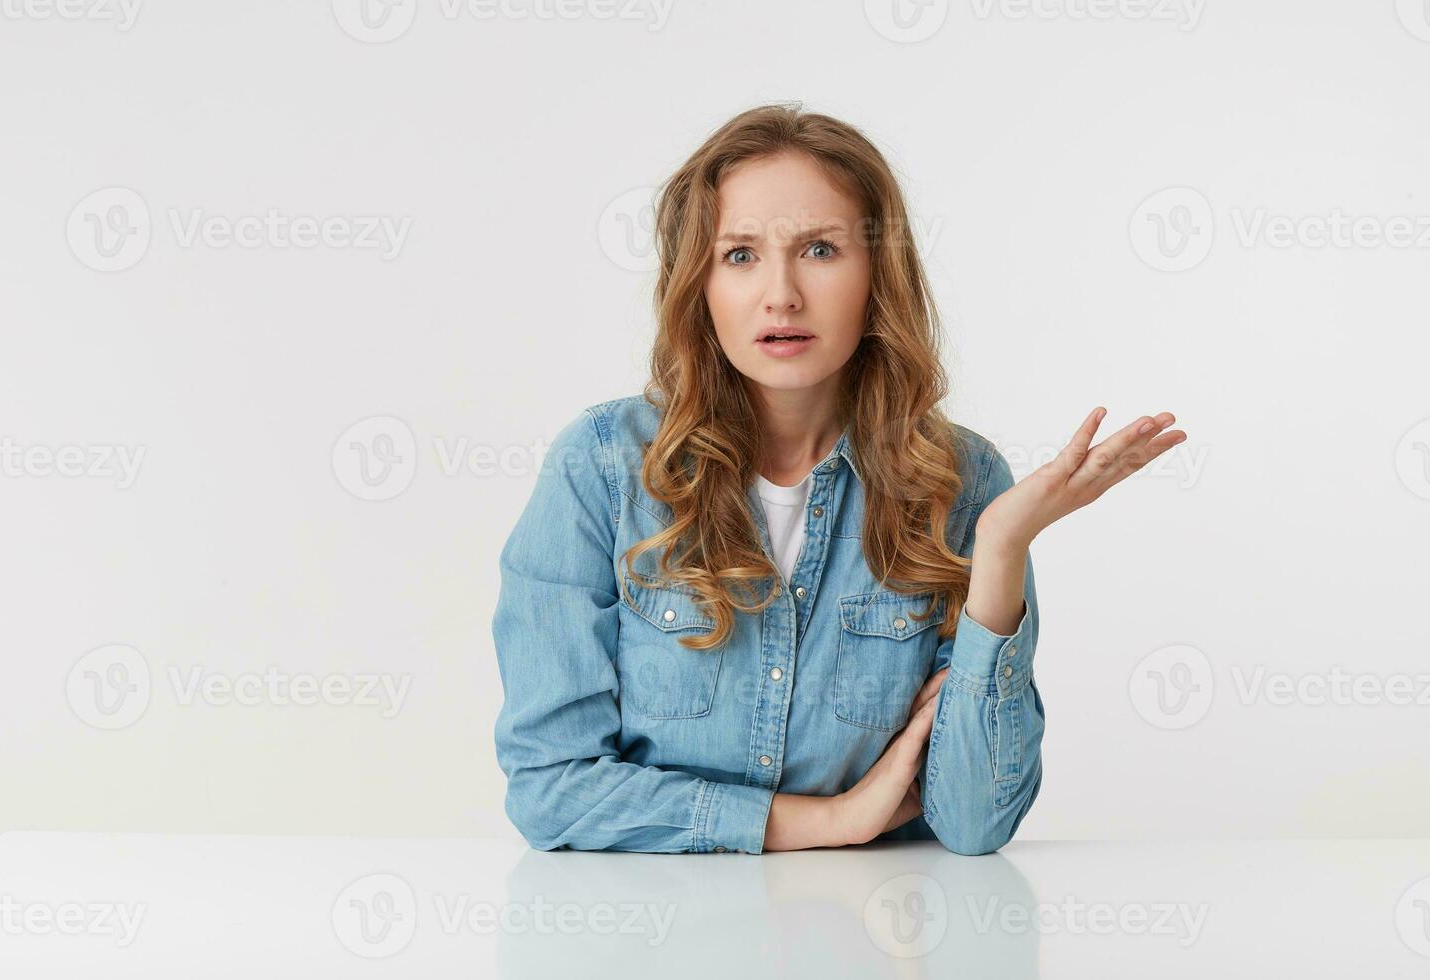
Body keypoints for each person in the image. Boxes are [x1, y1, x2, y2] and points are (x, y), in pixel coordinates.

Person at [491, 102, 1185, 854]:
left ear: (876, 277)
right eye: (740, 255)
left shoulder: (965, 479)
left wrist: (1001, 545)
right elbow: (551, 789)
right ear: (699, 284)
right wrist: (830, 822)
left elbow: (975, 822)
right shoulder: (600, 464)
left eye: (820, 250)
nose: (781, 294)